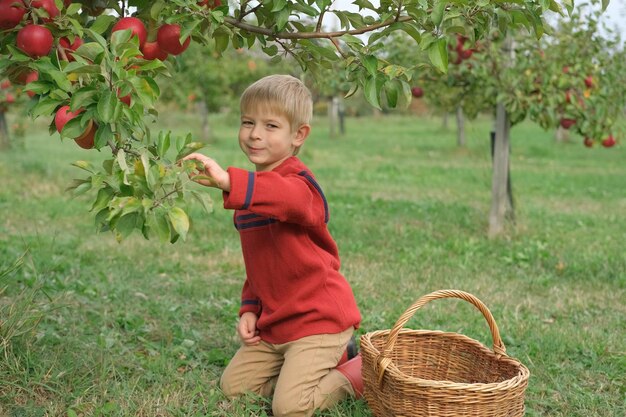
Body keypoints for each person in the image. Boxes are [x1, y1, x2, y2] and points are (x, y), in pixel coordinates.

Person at [183, 74, 362, 417]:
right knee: (234, 388)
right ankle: (305, 370)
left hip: (318, 320)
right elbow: (259, 263)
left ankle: (355, 370)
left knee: (290, 408)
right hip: (277, 324)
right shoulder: (250, 198)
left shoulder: (299, 185)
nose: (255, 134)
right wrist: (250, 307)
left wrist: (228, 180)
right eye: (248, 122)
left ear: (298, 135)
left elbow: (288, 199)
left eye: (270, 125)